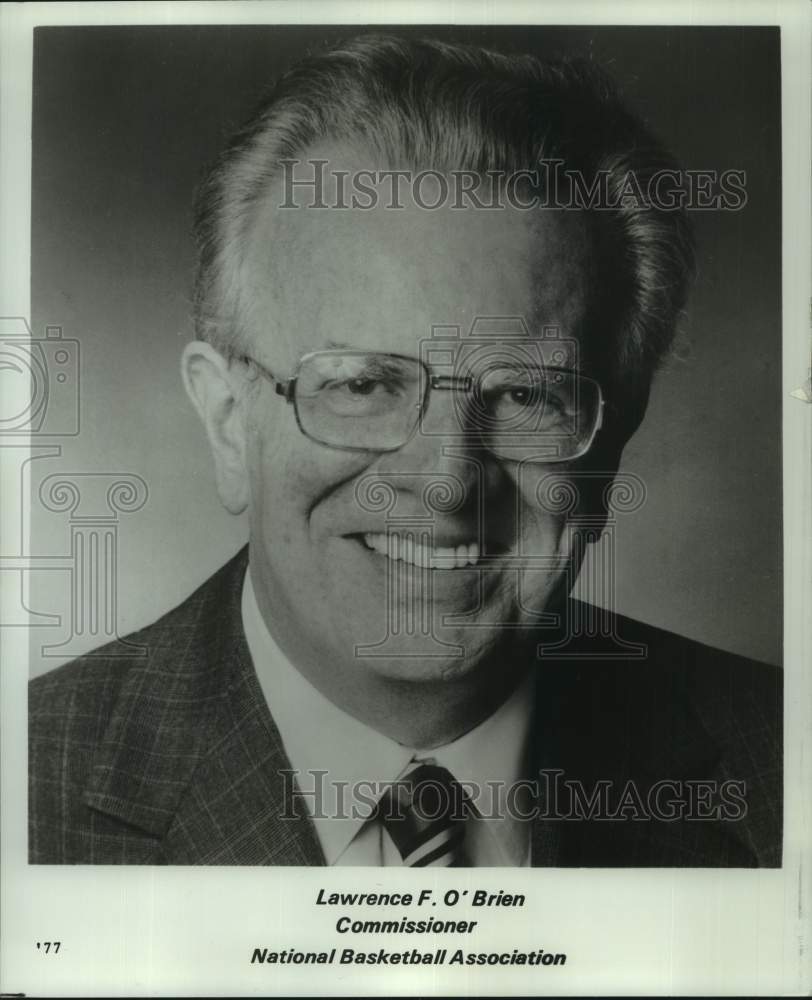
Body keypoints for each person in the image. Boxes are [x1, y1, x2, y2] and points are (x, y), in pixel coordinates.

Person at [29, 34, 781, 867]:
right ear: (227, 421)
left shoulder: (781, 769)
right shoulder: (26, 797)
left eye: (525, 395)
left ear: (614, 437)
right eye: (362, 385)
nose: (447, 481)